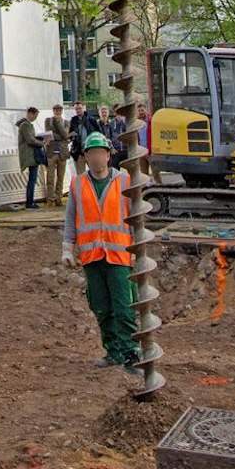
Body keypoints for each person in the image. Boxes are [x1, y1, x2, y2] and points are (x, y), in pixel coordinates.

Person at [61, 132, 140, 374]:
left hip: (119, 255)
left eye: (100, 153)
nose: (96, 158)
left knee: (124, 307)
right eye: (91, 154)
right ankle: (113, 351)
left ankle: (131, 354)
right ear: (86, 157)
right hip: (92, 256)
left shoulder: (126, 182)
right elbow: (71, 217)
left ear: (108, 155)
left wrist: (138, 246)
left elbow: (136, 217)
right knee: (101, 307)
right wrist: (67, 247)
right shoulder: (77, 184)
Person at [43, 103, 70, 204]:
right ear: (53, 111)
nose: (57, 112)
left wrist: (58, 122)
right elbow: (49, 135)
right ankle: (50, 198)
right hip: (51, 151)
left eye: (59, 110)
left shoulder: (66, 122)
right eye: (56, 110)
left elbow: (65, 135)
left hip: (62, 152)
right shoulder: (48, 120)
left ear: (61, 111)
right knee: (50, 176)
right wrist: (60, 135)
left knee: (61, 176)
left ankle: (58, 197)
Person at [16, 107, 42, 210]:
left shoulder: (26, 125)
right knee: (32, 179)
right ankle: (29, 201)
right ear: (30, 114)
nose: (35, 118)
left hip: (30, 154)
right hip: (30, 154)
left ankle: (30, 201)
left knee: (33, 178)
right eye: (35, 116)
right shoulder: (26, 125)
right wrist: (41, 143)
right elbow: (30, 140)